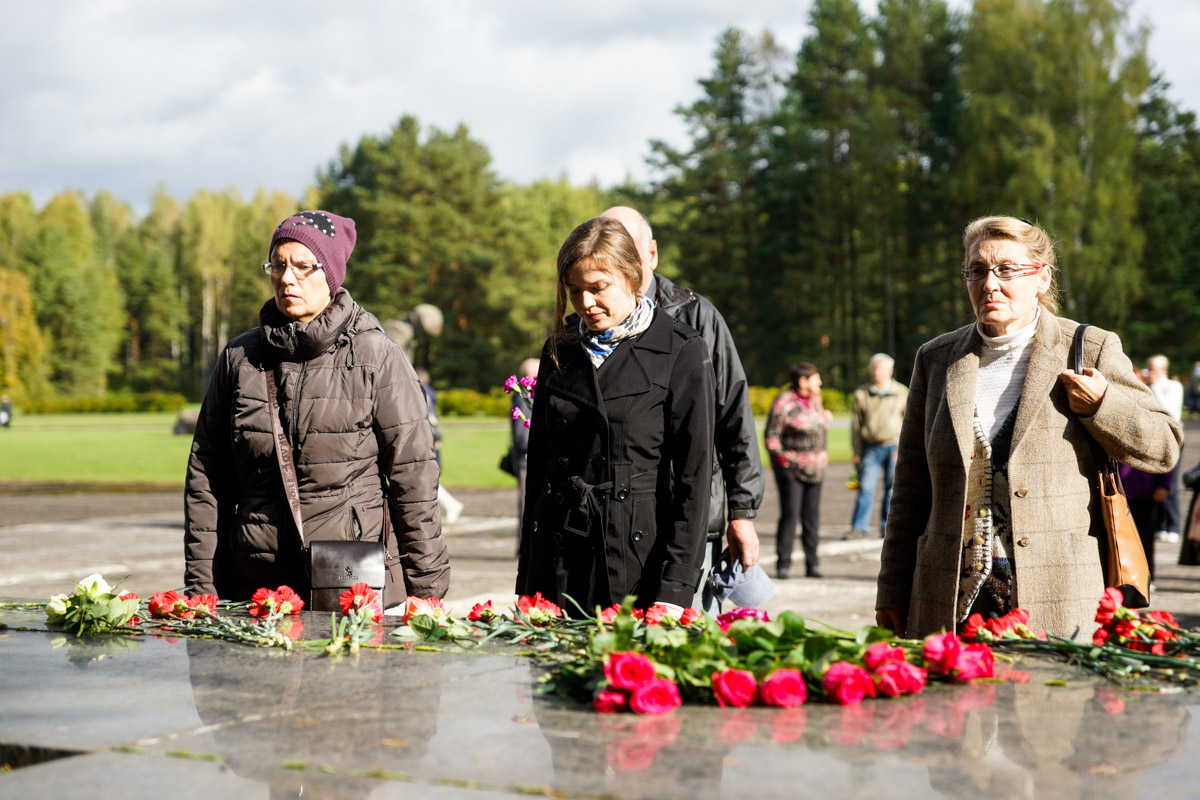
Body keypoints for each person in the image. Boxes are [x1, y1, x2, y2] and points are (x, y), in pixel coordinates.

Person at [875, 215, 1181, 639]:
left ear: (1041, 277)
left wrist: (1101, 405)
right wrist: (891, 587)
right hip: (948, 599)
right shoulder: (936, 359)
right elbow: (909, 485)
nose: (989, 283)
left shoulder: (1089, 347)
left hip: (1057, 593)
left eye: (1006, 270)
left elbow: (1164, 447)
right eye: (976, 271)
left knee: (1053, 704)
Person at [184, 210, 450, 603]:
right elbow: (206, 478)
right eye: (277, 265)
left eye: (302, 266)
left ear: (331, 272)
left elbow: (414, 480)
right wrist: (201, 589)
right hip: (257, 586)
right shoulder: (239, 358)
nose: (286, 278)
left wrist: (427, 593)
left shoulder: (376, 356)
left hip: (351, 589)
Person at [515, 217, 714, 614]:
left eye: (597, 288)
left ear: (633, 275)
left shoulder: (680, 350)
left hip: (638, 564)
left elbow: (695, 480)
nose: (585, 302)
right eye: (574, 291)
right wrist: (527, 582)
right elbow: (538, 471)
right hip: (559, 563)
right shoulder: (560, 349)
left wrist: (675, 591)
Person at [600, 206, 764, 611]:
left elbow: (734, 416)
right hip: (612, 522)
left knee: (684, 644)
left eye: (631, 255)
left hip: (687, 518)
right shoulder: (591, 321)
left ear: (652, 254)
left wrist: (741, 512)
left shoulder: (698, 317)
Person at [764, 362, 830, 579]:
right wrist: (784, 462)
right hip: (791, 468)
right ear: (803, 381)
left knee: (811, 517)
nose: (819, 382)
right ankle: (783, 563)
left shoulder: (816, 400)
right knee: (791, 514)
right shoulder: (784, 401)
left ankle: (813, 564)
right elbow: (771, 438)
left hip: (816, 469)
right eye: (815, 378)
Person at [847, 353, 907, 539]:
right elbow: (856, 426)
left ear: (890, 371)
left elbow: (909, 423)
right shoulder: (861, 393)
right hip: (870, 448)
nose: (875, 372)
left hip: (894, 446)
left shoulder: (902, 392)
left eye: (880, 368)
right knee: (865, 487)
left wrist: (903, 448)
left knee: (892, 488)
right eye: (873, 368)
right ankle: (858, 527)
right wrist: (857, 451)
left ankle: (887, 526)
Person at [1146, 354, 1184, 544]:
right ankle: (1161, 524)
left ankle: (1174, 525)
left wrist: (1153, 387)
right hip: (1156, 439)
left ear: (1163, 371)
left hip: (1173, 439)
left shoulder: (1173, 387)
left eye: (1153, 370)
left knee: (1171, 484)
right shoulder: (1148, 387)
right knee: (1156, 481)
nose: (1150, 373)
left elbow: (1169, 412)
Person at [512, 357, 539, 556]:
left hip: (529, 458)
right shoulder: (523, 396)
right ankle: (525, 547)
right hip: (526, 460)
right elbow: (522, 434)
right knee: (526, 504)